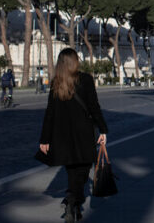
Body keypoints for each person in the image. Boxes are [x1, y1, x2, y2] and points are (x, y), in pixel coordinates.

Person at [39, 48, 108, 222]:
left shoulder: (57, 82)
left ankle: (74, 204)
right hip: (83, 133)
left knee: (72, 172)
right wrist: (103, 129)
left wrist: (45, 139)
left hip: (62, 135)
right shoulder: (85, 79)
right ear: (75, 61)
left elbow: (50, 113)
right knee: (83, 171)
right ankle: (72, 199)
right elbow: (94, 107)